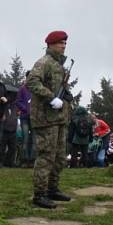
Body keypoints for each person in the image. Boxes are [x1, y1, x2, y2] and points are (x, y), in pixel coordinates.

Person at [27, 30, 74, 209]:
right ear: (51, 44)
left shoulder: (59, 65)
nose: (63, 46)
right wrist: (50, 97)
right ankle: (39, 195)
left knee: (60, 157)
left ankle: (52, 189)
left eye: (65, 43)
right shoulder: (44, 62)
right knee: (46, 156)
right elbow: (32, 82)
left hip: (60, 117)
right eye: (60, 43)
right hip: (45, 118)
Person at [15, 73, 35, 165]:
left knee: (34, 139)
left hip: (34, 118)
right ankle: (24, 160)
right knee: (25, 138)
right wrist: (26, 108)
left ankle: (32, 160)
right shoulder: (22, 89)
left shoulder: (36, 89)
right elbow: (18, 102)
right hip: (24, 118)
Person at [1, 87, 20, 167]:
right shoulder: (2, 105)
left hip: (13, 130)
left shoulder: (15, 106)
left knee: (12, 148)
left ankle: (10, 162)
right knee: (2, 147)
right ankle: (0, 162)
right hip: (3, 130)